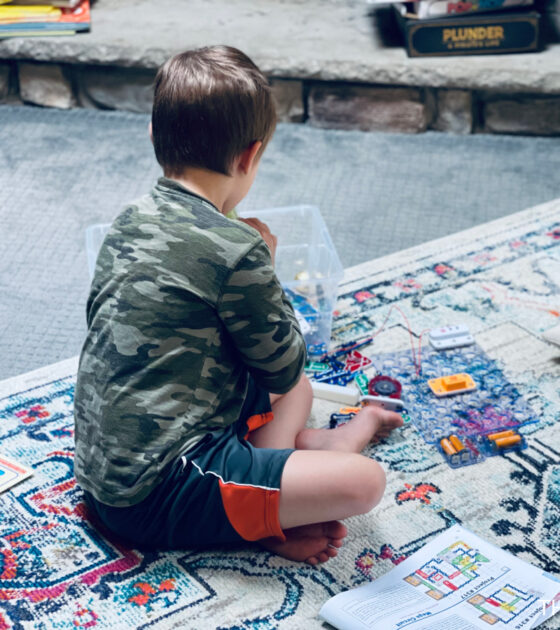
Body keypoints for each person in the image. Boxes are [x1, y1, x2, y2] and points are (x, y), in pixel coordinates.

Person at [73, 45, 402, 566]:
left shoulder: (128, 219)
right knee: (364, 482)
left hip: (101, 469)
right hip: (153, 493)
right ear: (250, 156)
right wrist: (264, 269)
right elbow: (284, 359)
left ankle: (288, 474)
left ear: (155, 136)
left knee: (298, 393)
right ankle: (261, 521)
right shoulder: (238, 250)